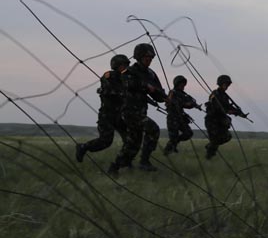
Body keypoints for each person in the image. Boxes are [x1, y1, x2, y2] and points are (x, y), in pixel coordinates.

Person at [108, 43, 167, 175]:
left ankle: (115, 167)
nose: (149, 60)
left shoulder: (151, 74)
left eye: (151, 57)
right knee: (153, 129)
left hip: (141, 111)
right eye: (146, 57)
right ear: (139, 56)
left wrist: (166, 98)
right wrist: (145, 86)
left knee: (133, 144)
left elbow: (158, 93)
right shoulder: (129, 71)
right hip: (129, 111)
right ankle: (144, 162)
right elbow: (128, 83)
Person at [75, 54, 129, 163]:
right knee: (106, 141)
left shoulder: (127, 78)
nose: (126, 67)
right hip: (107, 115)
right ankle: (83, 147)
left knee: (130, 140)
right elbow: (110, 91)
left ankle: (125, 162)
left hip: (121, 115)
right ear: (116, 66)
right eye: (123, 65)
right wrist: (125, 93)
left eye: (127, 65)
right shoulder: (109, 76)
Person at [204, 75, 248, 160]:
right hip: (212, 121)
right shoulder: (215, 94)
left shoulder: (224, 96)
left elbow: (229, 107)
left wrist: (240, 113)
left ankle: (209, 150)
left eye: (228, 84)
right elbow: (216, 107)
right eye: (225, 84)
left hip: (220, 121)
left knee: (226, 137)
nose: (227, 86)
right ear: (220, 84)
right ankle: (208, 158)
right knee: (215, 140)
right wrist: (228, 111)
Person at [163, 75, 202, 155]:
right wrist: (184, 104)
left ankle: (173, 145)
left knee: (188, 133)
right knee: (173, 136)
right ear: (177, 84)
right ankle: (168, 151)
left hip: (180, 117)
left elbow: (189, 102)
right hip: (173, 117)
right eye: (181, 84)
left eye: (184, 85)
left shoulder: (184, 94)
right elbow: (169, 103)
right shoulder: (172, 92)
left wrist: (194, 105)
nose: (183, 86)